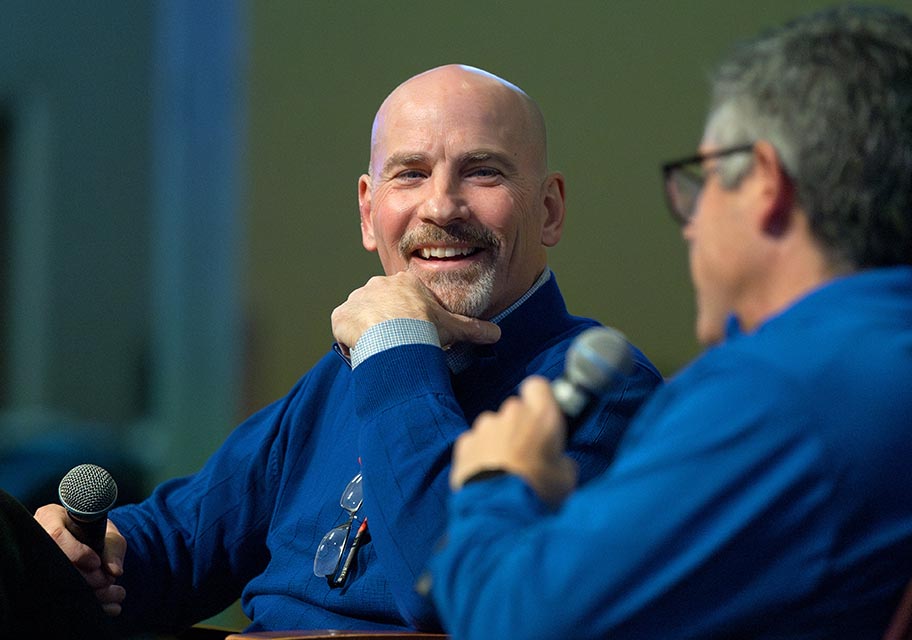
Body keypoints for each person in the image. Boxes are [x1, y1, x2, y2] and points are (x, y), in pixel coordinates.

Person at [22, 64, 662, 636]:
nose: (440, 206)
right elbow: (185, 538)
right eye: (410, 174)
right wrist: (102, 547)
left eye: (482, 171)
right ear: (367, 211)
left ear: (549, 210)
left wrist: (395, 350)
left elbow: (451, 595)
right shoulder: (345, 371)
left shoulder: (608, 389)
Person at [427, 7, 912, 639]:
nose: (691, 222)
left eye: (702, 181)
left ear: (765, 184)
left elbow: (511, 624)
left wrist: (496, 483)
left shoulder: (775, 398)